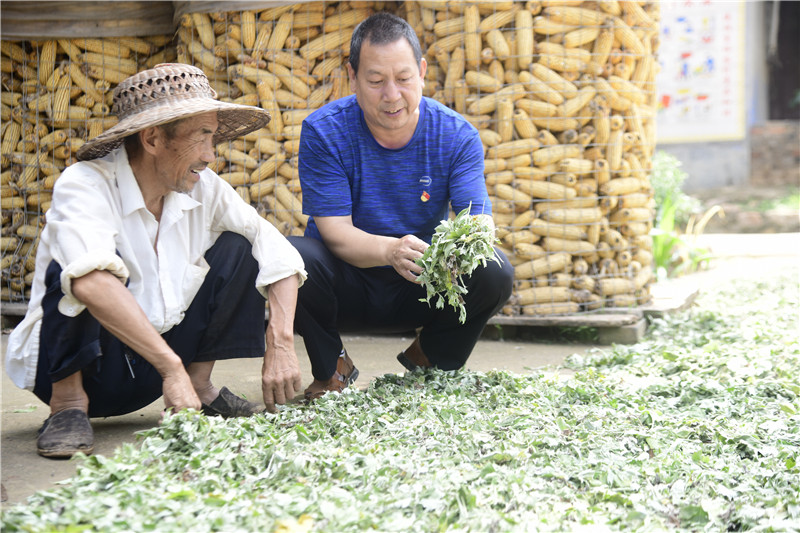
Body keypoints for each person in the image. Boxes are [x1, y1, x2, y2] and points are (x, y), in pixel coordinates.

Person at [5, 63, 307, 458]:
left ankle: (199, 388)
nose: (210, 156)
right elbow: (90, 281)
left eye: (212, 138)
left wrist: (281, 341)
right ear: (152, 139)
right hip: (95, 370)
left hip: (159, 369)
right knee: (77, 266)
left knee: (241, 244)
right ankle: (68, 406)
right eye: (202, 138)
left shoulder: (204, 189)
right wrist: (170, 368)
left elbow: (275, 246)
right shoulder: (85, 184)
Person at [289, 12, 514, 400]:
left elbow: (475, 217)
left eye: (404, 79)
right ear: (352, 77)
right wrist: (389, 250)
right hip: (350, 282)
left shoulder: (456, 135)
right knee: (290, 257)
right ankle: (332, 367)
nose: (392, 94)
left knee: (494, 270)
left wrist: (476, 233)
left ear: (422, 72)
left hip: (423, 282)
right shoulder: (323, 131)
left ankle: (430, 359)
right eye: (376, 81)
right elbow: (335, 233)